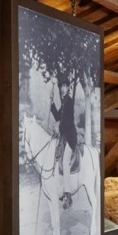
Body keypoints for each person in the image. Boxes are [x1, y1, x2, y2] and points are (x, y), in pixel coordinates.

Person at [50, 75, 78, 209]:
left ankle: (68, 195)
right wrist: (51, 104)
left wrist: (58, 129)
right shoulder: (63, 102)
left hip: (70, 138)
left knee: (65, 162)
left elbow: (67, 123)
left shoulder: (69, 101)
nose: (63, 88)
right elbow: (57, 116)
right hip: (64, 137)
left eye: (65, 86)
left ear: (68, 88)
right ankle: (60, 189)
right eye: (61, 86)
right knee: (57, 160)